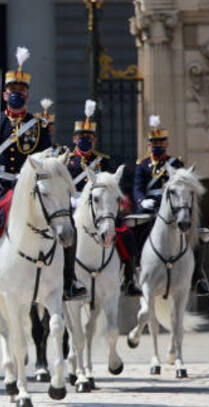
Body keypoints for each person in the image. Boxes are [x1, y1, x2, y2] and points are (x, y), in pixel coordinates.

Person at [0, 46, 87, 304]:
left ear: (28, 94)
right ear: (4, 93)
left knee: (68, 225)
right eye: (12, 91)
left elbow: (47, 159)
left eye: (21, 92)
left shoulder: (38, 126)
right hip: (0, 189)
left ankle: (69, 281)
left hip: (31, 189)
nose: (16, 95)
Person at [63, 99, 142, 297]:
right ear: (74, 139)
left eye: (89, 137)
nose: (85, 140)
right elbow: (62, 186)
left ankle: (129, 278)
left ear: (95, 140)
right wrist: (71, 199)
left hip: (101, 207)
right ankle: (64, 278)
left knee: (125, 235)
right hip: (74, 205)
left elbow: (113, 186)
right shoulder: (67, 161)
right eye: (81, 137)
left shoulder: (104, 162)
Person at [133, 115, 209, 296]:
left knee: (196, 234)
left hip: (175, 208)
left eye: (161, 142)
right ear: (149, 145)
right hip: (150, 208)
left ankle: (197, 278)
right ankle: (133, 272)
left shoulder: (176, 163)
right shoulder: (143, 165)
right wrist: (141, 200)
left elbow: (184, 186)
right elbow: (137, 188)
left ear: (166, 144)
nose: (157, 145)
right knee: (135, 233)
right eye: (154, 142)